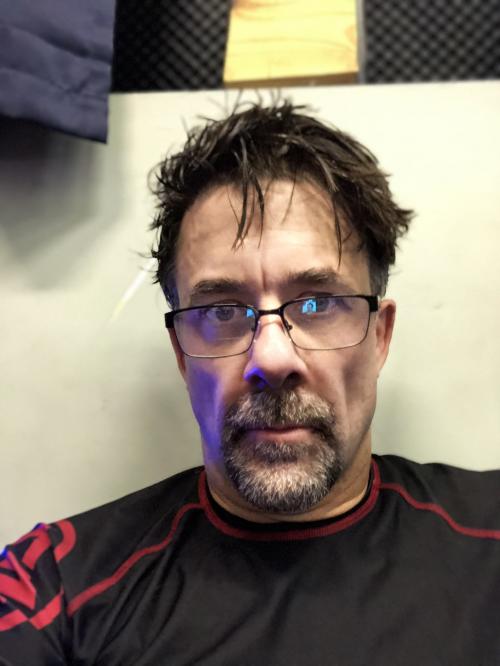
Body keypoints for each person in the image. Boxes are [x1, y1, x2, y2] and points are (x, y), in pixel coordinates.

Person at [1, 101, 499, 665]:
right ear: (181, 355)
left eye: (317, 303)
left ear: (379, 336)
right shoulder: (53, 588)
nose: (272, 358)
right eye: (221, 311)